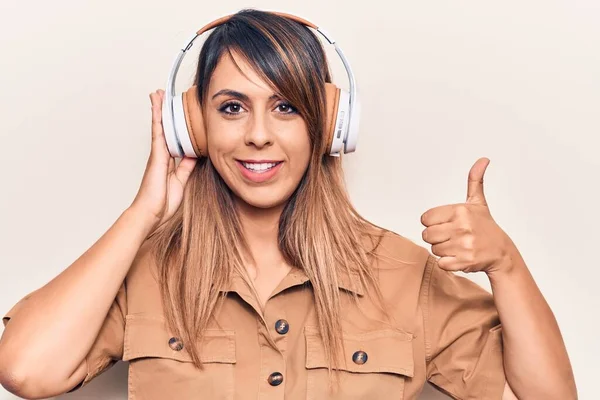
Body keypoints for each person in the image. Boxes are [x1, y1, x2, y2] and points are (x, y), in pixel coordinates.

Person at [0, 9, 576, 400]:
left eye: (286, 108)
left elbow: (550, 396)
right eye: (231, 108)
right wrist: (142, 213)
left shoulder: (404, 276)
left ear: (327, 125)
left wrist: (507, 265)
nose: (258, 135)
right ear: (192, 126)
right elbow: (25, 370)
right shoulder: (146, 271)